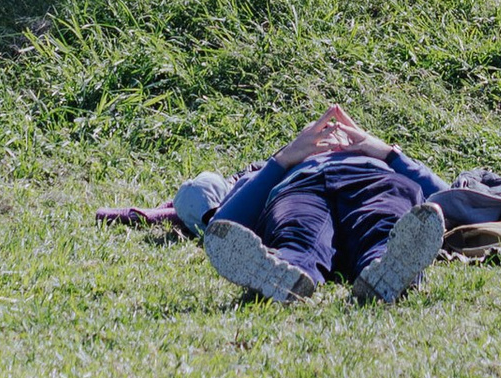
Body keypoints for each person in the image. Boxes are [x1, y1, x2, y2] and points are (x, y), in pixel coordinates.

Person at [105, 101, 452, 306]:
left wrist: (385, 152)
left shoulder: (377, 160)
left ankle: (388, 266)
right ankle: (286, 273)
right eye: (316, 135)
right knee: (298, 234)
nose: (329, 136)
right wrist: (284, 160)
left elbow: (448, 200)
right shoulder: (277, 171)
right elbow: (222, 225)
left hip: (371, 181)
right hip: (300, 188)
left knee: (381, 222)